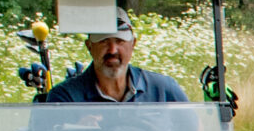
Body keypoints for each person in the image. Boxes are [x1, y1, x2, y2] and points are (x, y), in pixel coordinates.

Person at [41, 10, 190, 104]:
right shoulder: (65, 97)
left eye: (120, 41)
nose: (113, 50)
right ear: (89, 46)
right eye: (104, 42)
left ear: (133, 44)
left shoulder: (162, 88)